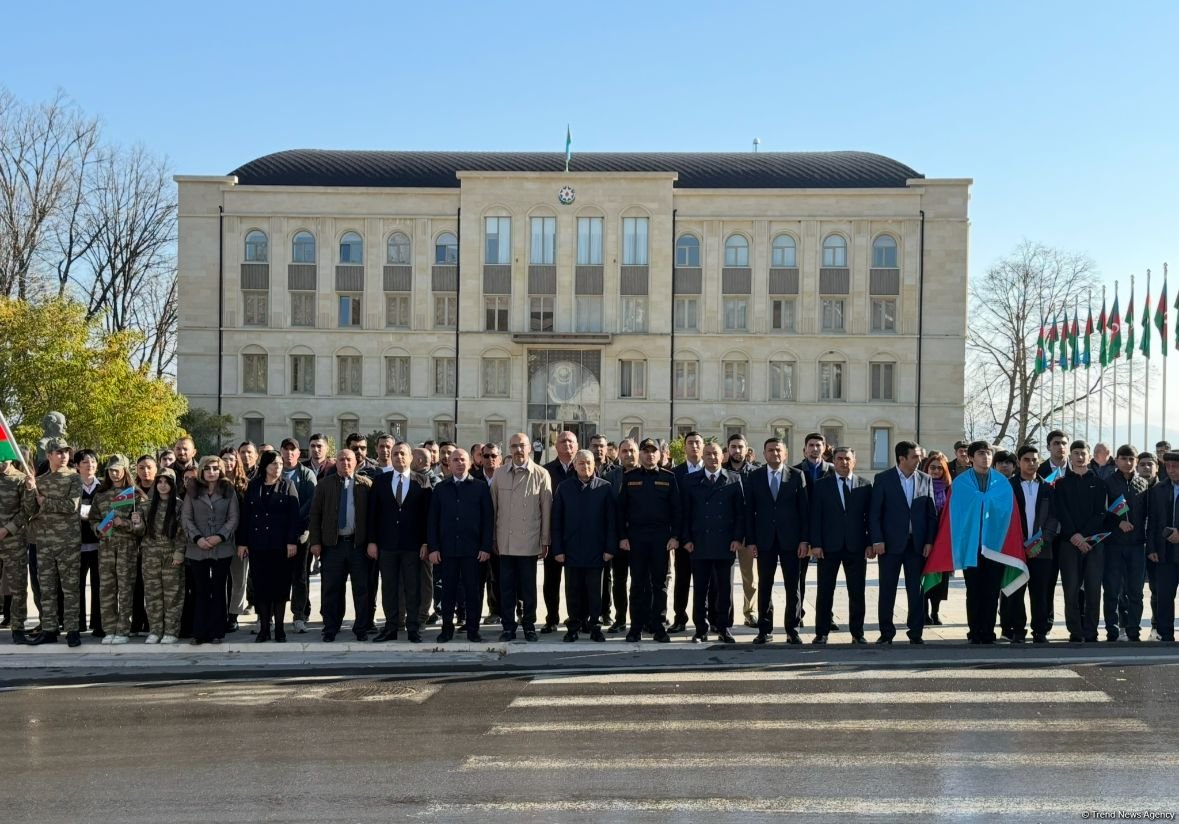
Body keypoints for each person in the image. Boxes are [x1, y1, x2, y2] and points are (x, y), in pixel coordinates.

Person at [869, 440, 937, 645]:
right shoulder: (883, 479)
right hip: (889, 545)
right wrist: (877, 539)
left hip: (916, 545)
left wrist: (929, 541)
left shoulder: (925, 479)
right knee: (887, 588)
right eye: (915, 456)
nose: (920, 460)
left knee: (916, 590)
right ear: (902, 458)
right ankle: (886, 632)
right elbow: (875, 513)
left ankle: (916, 632)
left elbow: (931, 513)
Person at [746, 437, 809, 644]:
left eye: (778, 450)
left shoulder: (797, 475)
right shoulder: (754, 476)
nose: (775, 453)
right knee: (765, 585)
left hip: (791, 540)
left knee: (793, 586)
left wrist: (804, 540)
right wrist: (752, 541)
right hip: (765, 540)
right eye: (771, 450)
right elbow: (749, 511)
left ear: (786, 453)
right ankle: (764, 629)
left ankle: (792, 629)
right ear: (764, 454)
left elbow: (804, 511)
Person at [489, 433, 551, 643]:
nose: (518, 450)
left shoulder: (541, 474)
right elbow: (493, 509)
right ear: (509, 449)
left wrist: (545, 540)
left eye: (522, 446)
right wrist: (493, 538)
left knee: (528, 588)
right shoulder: (499, 475)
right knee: (506, 588)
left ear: (529, 449)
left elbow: (546, 510)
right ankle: (508, 626)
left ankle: (529, 625)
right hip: (505, 542)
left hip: (529, 541)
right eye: (514, 446)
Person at [617, 438, 681, 643]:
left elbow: (677, 511)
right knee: (637, 584)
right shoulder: (629, 478)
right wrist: (622, 537)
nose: (649, 455)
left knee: (659, 584)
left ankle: (659, 626)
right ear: (640, 455)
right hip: (636, 537)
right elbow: (621, 511)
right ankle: (635, 627)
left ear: (660, 455)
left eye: (653, 451)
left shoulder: (669, 478)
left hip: (661, 538)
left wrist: (675, 537)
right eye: (645, 451)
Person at [427, 449, 493, 643]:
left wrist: (485, 547)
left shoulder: (480, 487)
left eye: (463, 459)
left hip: (473, 551)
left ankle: (473, 630)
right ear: (450, 463)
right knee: (448, 592)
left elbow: (488, 520)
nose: (459, 463)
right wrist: (434, 547)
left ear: (470, 462)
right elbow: (433, 520)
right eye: (455, 460)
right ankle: (447, 629)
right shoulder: (441, 488)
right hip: (447, 551)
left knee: (473, 592)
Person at [809, 446, 872, 644]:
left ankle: (857, 633)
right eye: (839, 459)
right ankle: (822, 632)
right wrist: (816, 544)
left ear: (854, 461)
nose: (843, 462)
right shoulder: (821, 485)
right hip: (828, 547)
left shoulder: (865, 485)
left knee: (857, 591)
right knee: (825, 591)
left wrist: (870, 543)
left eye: (847, 459)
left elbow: (870, 518)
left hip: (856, 546)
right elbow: (815, 517)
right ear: (833, 461)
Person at [682, 442, 743, 644]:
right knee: (701, 589)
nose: (712, 458)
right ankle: (700, 628)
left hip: (725, 543)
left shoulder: (734, 479)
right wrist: (687, 539)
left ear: (723, 456)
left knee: (725, 589)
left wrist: (737, 538)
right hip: (699, 543)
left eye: (716, 454)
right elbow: (685, 513)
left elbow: (740, 513)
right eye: (708, 454)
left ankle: (724, 627)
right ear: (703, 456)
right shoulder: (691, 480)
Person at [367, 442, 429, 643]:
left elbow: (427, 515)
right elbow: (372, 514)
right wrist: (372, 541)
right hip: (387, 545)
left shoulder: (422, 481)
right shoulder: (381, 481)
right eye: (395, 454)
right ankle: (391, 627)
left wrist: (426, 543)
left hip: (413, 545)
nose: (398, 457)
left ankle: (413, 628)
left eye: (402, 453)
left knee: (413, 588)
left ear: (411, 457)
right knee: (389, 588)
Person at [551, 449, 615, 642]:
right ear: (574, 465)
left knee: (595, 591)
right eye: (581, 463)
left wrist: (609, 548)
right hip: (571, 551)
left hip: (597, 551)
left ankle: (595, 626)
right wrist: (558, 550)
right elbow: (556, 521)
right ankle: (573, 627)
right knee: (573, 591)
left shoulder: (605, 487)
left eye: (588, 463)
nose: (585, 467)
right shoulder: (564, 488)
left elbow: (612, 521)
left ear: (594, 465)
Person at [309, 449, 373, 642]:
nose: (345, 463)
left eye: (349, 460)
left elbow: (373, 517)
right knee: (332, 588)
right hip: (332, 546)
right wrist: (315, 542)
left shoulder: (366, 485)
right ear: (335, 462)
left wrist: (371, 542)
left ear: (356, 463)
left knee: (362, 589)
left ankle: (361, 627)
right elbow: (315, 515)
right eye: (341, 459)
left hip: (358, 546)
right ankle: (331, 627)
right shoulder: (324, 485)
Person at [236, 450, 300, 642]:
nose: (278, 467)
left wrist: (292, 541)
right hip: (258, 545)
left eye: (280, 464)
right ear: (265, 466)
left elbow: (294, 517)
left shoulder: (287, 486)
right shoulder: (254, 487)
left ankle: (279, 628)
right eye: (274, 464)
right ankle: (264, 627)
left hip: (281, 546)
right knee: (262, 588)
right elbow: (245, 516)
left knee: (280, 588)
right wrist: (242, 542)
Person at [25, 437, 83, 647]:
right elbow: (30, 511)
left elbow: (72, 506)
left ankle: (73, 629)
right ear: (49, 455)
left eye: (66, 452)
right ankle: (49, 628)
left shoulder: (74, 478)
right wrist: (30, 490)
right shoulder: (40, 481)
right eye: (58, 452)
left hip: (68, 542)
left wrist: (46, 501)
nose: (64, 456)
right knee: (47, 588)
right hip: (44, 542)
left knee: (70, 588)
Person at [181, 456, 239, 645]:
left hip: (221, 547)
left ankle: (217, 632)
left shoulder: (228, 489)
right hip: (197, 547)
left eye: (215, 468)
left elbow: (233, 517)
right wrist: (198, 538)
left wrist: (220, 537)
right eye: (208, 468)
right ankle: (199, 633)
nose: (211, 472)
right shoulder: (192, 489)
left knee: (219, 588)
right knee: (201, 590)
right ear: (201, 471)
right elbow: (186, 517)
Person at [1054, 440, 1109, 642]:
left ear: (1089, 456)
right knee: (1071, 588)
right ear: (1070, 456)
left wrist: (1085, 537)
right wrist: (1074, 536)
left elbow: (1100, 513)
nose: (1079, 457)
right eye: (1075, 453)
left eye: (1083, 453)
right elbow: (1061, 511)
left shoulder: (1099, 484)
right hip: (1069, 543)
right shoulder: (1061, 484)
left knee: (1094, 589)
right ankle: (1075, 631)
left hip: (1093, 543)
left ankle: (1091, 630)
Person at [88, 455, 145, 644]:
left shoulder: (135, 495)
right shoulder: (101, 495)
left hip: (126, 548)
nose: (113, 473)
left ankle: (123, 630)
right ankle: (109, 629)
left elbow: (141, 527)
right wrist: (97, 528)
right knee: (106, 589)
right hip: (105, 548)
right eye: (110, 470)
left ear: (125, 470)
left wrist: (126, 523)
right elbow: (93, 518)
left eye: (117, 470)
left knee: (126, 589)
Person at [1102, 444, 1150, 642]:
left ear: (1136, 461)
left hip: (1137, 545)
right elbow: (1101, 512)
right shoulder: (1106, 482)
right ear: (1117, 460)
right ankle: (1112, 630)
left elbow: (1149, 514)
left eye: (1131, 459)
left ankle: (1133, 629)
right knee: (1112, 589)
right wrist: (1118, 522)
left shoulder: (1143, 484)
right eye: (1124, 458)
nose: (1128, 463)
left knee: (1135, 591)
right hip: (1113, 544)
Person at [794, 432, 835, 633]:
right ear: (805, 449)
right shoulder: (794, 471)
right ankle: (797, 614)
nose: (814, 448)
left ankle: (827, 616)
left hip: (827, 531)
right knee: (798, 576)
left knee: (827, 578)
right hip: (801, 529)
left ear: (824, 448)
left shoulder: (834, 471)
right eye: (811, 445)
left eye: (818, 445)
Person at [139, 468, 184, 644]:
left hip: (171, 555)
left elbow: (183, 532)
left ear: (173, 485)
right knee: (152, 595)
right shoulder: (147, 505)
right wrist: (136, 523)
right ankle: (155, 630)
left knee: (172, 595)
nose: (163, 486)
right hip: (150, 555)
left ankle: (171, 631)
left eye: (167, 482)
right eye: (160, 482)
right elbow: (141, 532)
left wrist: (179, 552)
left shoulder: (180, 505)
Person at [278, 438, 317, 634]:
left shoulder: (307, 474)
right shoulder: (274, 471)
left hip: (301, 533)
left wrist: (293, 524)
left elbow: (311, 502)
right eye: (285, 450)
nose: (289, 454)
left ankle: (299, 615)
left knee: (300, 576)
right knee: (278, 576)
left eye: (292, 450)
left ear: (298, 454)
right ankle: (273, 616)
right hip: (277, 535)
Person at [541, 430, 578, 632]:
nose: (567, 445)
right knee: (551, 581)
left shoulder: (584, 469)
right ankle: (552, 618)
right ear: (556, 446)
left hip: (576, 536)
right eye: (563, 441)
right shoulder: (546, 471)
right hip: (554, 534)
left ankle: (577, 618)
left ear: (577, 446)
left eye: (571, 441)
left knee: (574, 582)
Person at [669, 431, 705, 633]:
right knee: (682, 581)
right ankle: (680, 618)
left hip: (707, 536)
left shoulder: (713, 469)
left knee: (707, 583)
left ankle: (707, 619)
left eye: (697, 443)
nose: (694, 446)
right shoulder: (675, 473)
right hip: (683, 537)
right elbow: (674, 508)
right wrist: (677, 535)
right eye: (690, 443)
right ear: (685, 447)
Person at [603, 438, 637, 632]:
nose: (628, 454)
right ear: (618, 453)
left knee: (641, 581)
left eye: (632, 450)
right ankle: (620, 618)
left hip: (641, 538)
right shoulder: (611, 477)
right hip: (618, 539)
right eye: (624, 451)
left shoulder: (647, 475)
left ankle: (640, 618)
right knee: (619, 580)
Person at [1146, 452, 1179, 642]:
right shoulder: (1159, 489)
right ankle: (1166, 634)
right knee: (1164, 595)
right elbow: (1152, 522)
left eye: (1176, 466)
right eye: (1169, 467)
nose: (1172, 470)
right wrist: (1151, 548)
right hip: (1164, 552)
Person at [0, 454, 30, 643]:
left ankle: (18, 627)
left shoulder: (20, 480)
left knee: (18, 585)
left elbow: (27, 509)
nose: (1, 464)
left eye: (4, 459)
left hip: (13, 540)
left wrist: (7, 529)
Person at [921, 451, 953, 625]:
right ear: (927, 468)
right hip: (924, 538)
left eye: (940, 468)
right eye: (932, 467)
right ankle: (924, 611)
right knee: (923, 575)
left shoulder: (949, 489)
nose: (935, 471)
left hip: (943, 539)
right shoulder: (920, 486)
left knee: (941, 578)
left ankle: (935, 611)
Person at [74, 450, 103, 639]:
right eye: (85, 462)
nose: (90, 465)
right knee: (76, 585)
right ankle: (78, 624)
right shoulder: (72, 486)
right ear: (77, 466)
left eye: (93, 462)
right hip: (75, 543)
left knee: (99, 585)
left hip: (100, 544)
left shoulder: (103, 487)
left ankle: (99, 624)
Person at [479, 443, 504, 623]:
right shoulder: (473, 479)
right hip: (478, 537)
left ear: (500, 458)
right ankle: (488, 610)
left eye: (494, 456)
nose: (490, 459)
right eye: (486, 456)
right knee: (481, 577)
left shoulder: (506, 478)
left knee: (502, 576)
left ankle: (505, 610)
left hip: (502, 535)